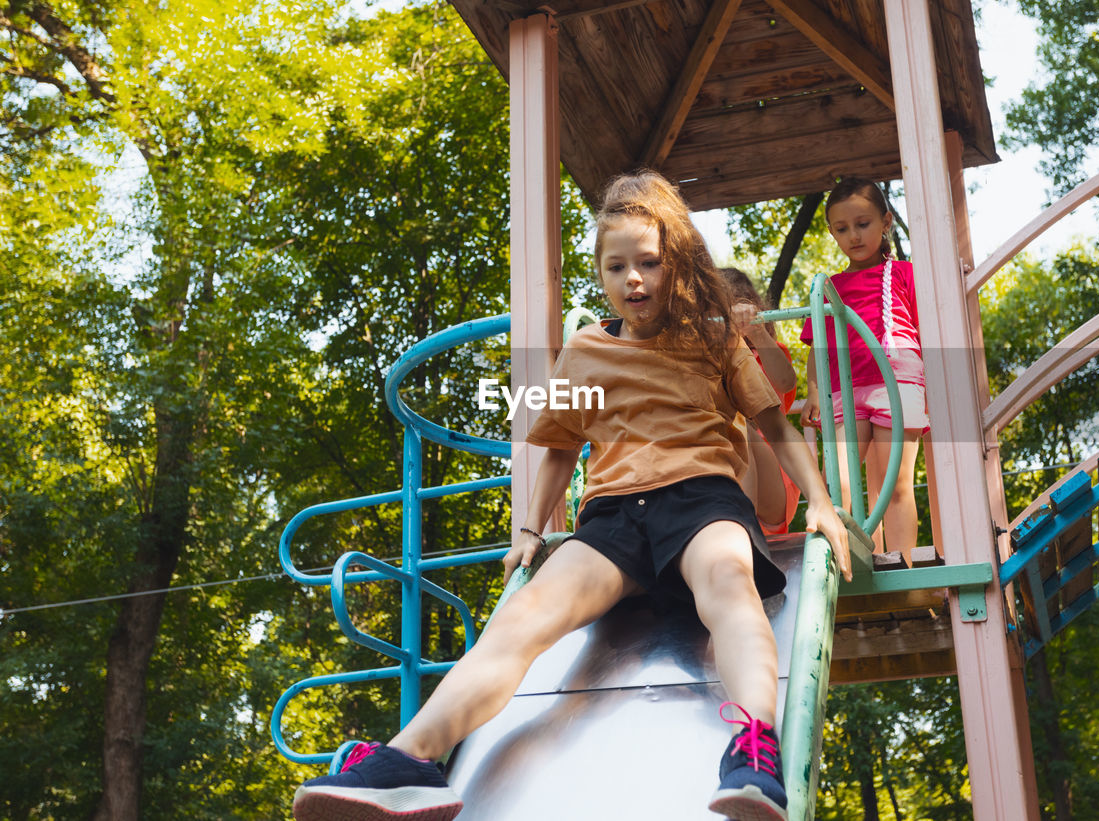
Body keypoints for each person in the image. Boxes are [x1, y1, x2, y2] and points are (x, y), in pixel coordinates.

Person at [291, 170, 852, 821]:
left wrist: (818, 500)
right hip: (612, 519)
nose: (634, 279)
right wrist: (529, 527)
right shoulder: (585, 348)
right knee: (522, 620)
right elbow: (560, 446)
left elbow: (772, 422)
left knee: (729, 583)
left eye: (649, 263)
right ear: (601, 273)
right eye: (618, 266)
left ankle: (754, 748)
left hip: (702, 501)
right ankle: (411, 758)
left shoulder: (712, 335)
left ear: (675, 265)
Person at [800, 178, 928, 562]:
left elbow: (927, 331)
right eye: (842, 229)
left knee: (894, 486)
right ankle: (848, 562)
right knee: (837, 483)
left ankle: (903, 568)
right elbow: (815, 346)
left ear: (886, 221)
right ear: (832, 232)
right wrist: (811, 390)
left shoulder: (905, 273)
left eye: (863, 223)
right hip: (844, 389)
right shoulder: (829, 287)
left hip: (898, 380)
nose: (853, 236)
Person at [719, 267, 802, 536]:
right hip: (723, 473)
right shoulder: (709, 361)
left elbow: (786, 383)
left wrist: (757, 334)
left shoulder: (764, 354)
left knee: (738, 426)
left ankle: (743, 535)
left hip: (773, 482)